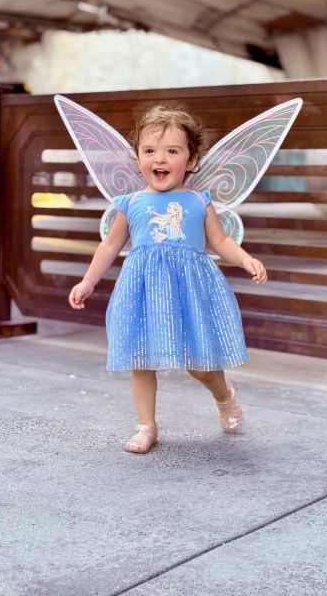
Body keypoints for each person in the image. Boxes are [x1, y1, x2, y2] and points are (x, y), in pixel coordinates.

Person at [69, 105, 267, 454]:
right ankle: (146, 425)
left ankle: (224, 396)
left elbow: (219, 241)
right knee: (141, 360)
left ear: (192, 160)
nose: (159, 159)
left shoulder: (197, 201)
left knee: (200, 364)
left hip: (188, 291)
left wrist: (245, 258)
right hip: (144, 291)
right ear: (138, 158)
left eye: (172, 151)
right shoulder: (130, 203)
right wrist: (88, 281)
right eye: (149, 150)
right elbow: (110, 245)